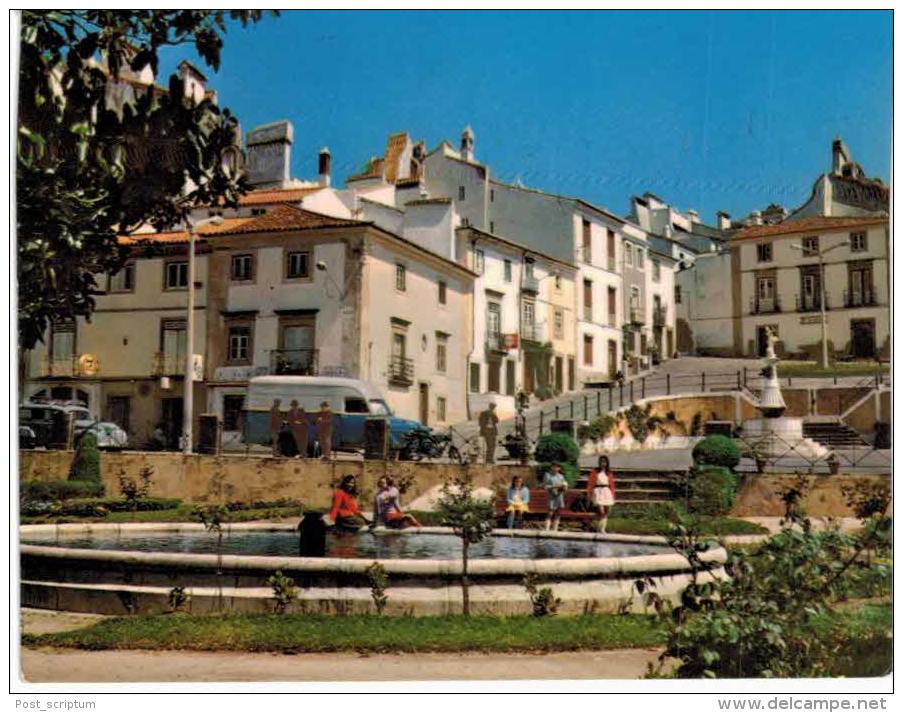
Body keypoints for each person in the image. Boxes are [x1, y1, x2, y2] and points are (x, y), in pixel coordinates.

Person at [587, 454, 616, 533]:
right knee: (601, 511)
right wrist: (589, 493)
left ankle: (601, 528)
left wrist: (613, 495)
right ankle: (601, 529)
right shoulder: (595, 471)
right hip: (598, 491)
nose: (603, 464)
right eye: (602, 462)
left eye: (605, 462)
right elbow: (590, 483)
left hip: (606, 491)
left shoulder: (609, 473)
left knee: (607, 511)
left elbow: (612, 485)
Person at [542, 462, 568, 532]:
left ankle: (555, 529)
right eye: (554, 467)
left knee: (558, 512)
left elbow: (564, 484)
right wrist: (554, 487)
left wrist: (564, 487)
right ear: (551, 467)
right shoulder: (547, 475)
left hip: (559, 495)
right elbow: (545, 486)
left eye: (557, 467)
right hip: (552, 495)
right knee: (550, 512)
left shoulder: (561, 476)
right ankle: (547, 528)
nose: (555, 468)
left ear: (559, 468)